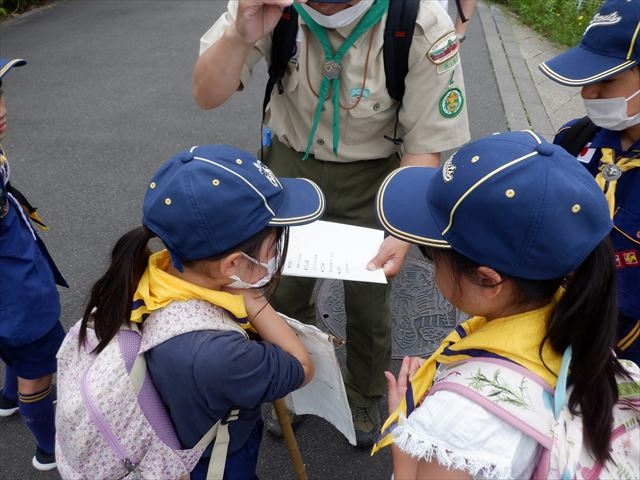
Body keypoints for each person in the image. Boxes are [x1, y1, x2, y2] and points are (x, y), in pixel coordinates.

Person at [193, 0, 470, 447]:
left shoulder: (418, 20)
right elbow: (206, 94)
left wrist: (399, 230)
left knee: (367, 297)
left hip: (375, 174)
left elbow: (425, 144)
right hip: (289, 165)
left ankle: (365, 393)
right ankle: (292, 384)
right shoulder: (272, 7)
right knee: (279, 287)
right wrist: (238, 36)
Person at [371, 130, 625, 478]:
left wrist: (403, 428)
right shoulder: (573, 320)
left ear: (488, 280)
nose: (429, 264)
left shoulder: (459, 423)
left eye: (431, 253)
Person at [77, 144, 324, 479]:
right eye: (274, 244)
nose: (277, 252)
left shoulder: (153, 271)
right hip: (211, 462)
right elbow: (301, 366)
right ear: (234, 263)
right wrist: (253, 301)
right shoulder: (221, 356)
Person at [539, 0, 639, 365]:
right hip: (551, 333)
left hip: (624, 367)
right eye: (586, 79)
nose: (588, 94)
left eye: (606, 79)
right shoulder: (574, 139)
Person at [0, 58, 67, 472]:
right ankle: (50, 447)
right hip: (16, 290)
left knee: (14, 345)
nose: (1, 109)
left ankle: (9, 398)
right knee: (39, 367)